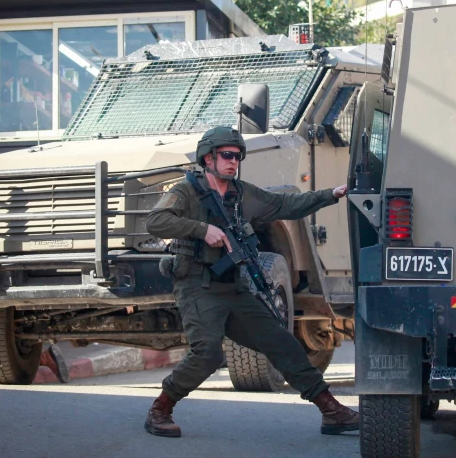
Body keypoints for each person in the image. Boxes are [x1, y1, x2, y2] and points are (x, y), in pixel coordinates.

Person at [143, 126, 359, 438]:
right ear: (208, 158)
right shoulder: (187, 191)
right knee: (208, 353)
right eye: (227, 155)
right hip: (196, 284)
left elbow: (285, 205)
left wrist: (331, 195)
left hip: (233, 286)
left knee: (282, 342)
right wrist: (202, 230)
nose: (234, 162)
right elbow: (156, 220)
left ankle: (330, 410)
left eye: (238, 156)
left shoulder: (241, 194)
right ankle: (160, 409)